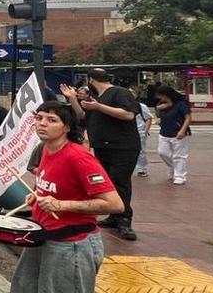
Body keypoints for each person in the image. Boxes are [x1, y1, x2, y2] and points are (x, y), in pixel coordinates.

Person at [10, 101, 124, 293]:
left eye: (51, 119)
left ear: (67, 127)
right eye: (39, 118)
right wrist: (37, 201)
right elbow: (50, 190)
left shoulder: (79, 157)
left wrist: (64, 205)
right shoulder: (46, 151)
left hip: (73, 244)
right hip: (44, 236)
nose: (42, 123)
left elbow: (114, 204)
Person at [62, 69, 140, 240]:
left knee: (120, 181)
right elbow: (82, 116)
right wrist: (73, 98)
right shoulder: (96, 98)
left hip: (123, 146)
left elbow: (128, 114)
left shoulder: (120, 93)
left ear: (91, 80)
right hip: (102, 146)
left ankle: (124, 219)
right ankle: (114, 215)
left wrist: (98, 106)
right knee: (108, 182)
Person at [155, 85, 192, 185]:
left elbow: (188, 117)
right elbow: (158, 115)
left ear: (167, 95)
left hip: (178, 132)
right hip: (164, 132)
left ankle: (180, 175)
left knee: (179, 155)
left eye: (162, 96)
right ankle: (174, 167)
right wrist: (158, 108)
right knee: (162, 152)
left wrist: (182, 130)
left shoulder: (181, 104)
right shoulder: (161, 103)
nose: (161, 99)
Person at [134, 98, 153, 177]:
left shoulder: (141, 106)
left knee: (140, 151)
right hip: (127, 132)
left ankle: (143, 169)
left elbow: (148, 118)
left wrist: (145, 131)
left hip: (139, 131)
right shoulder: (123, 105)